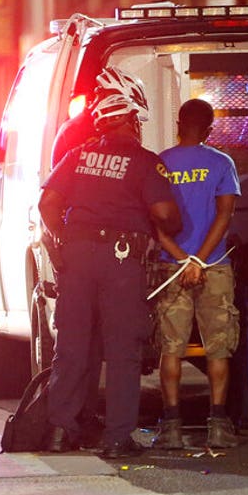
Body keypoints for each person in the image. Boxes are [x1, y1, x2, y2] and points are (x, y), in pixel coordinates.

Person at [38, 66, 182, 460]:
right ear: (132, 121)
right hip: (120, 260)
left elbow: (48, 203)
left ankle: (59, 431)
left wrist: (63, 239)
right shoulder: (143, 161)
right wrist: (167, 220)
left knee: (71, 347)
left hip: (77, 257)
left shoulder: (75, 155)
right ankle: (118, 437)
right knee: (122, 349)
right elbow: (166, 213)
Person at [150, 99, 242, 450]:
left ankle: (171, 428)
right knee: (219, 348)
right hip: (214, 265)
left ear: (178, 123)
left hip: (170, 267)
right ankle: (218, 425)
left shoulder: (161, 163)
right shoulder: (222, 163)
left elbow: (153, 222)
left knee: (170, 348)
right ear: (209, 129)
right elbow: (225, 216)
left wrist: (181, 259)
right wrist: (200, 261)